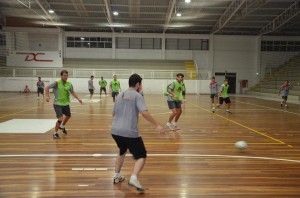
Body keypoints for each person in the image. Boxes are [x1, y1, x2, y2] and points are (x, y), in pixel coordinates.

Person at [111, 74, 164, 193]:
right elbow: (144, 113)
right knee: (141, 156)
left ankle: (117, 175)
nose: (141, 86)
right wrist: (158, 125)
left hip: (115, 131)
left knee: (122, 150)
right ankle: (134, 178)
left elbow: (113, 114)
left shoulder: (119, 95)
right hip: (129, 132)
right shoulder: (137, 95)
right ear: (138, 84)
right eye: (141, 84)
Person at [45, 70, 83, 139]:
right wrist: (47, 96)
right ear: (61, 76)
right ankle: (55, 133)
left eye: (67, 75)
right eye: (64, 75)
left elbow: (72, 92)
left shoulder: (69, 84)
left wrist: (78, 99)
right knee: (60, 118)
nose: (66, 77)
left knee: (68, 116)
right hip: (57, 104)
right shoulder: (56, 83)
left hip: (65, 103)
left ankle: (62, 126)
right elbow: (47, 87)